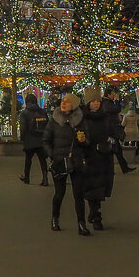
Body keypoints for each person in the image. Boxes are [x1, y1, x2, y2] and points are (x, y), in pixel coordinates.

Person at [44, 93, 91, 236]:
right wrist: (52, 154)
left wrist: (83, 140)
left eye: (67, 102)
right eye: (63, 101)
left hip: (76, 160)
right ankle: (55, 218)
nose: (63, 103)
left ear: (74, 105)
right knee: (59, 193)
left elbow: (88, 141)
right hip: (59, 160)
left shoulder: (80, 120)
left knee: (78, 194)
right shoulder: (54, 120)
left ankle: (81, 223)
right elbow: (46, 140)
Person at [80, 91, 115, 231]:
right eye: (93, 101)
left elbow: (113, 132)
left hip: (103, 156)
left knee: (100, 187)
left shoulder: (105, 117)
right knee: (91, 187)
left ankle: (96, 213)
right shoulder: (83, 118)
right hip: (88, 156)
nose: (96, 103)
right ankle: (95, 215)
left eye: (98, 101)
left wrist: (111, 140)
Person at [17, 94, 50, 186]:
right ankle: (45, 178)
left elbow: (23, 128)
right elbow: (47, 125)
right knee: (42, 160)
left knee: (28, 159)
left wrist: (23, 138)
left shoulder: (24, 113)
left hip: (30, 139)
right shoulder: (43, 111)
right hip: (41, 139)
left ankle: (27, 177)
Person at [104, 86, 136, 173]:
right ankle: (120, 168)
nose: (114, 95)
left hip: (111, 129)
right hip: (110, 130)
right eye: (113, 94)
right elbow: (116, 109)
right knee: (115, 150)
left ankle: (124, 167)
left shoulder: (107, 102)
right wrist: (117, 101)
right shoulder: (107, 103)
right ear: (109, 94)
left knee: (117, 150)